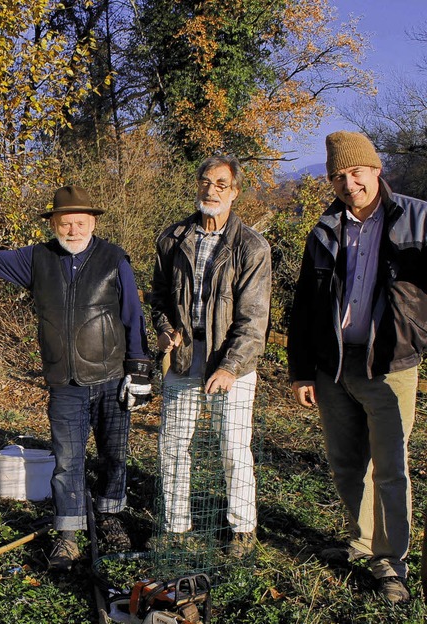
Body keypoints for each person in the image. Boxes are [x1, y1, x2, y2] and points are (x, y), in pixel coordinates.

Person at [0, 185, 152, 572]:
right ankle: (69, 533)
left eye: (80, 222)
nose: (74, 230)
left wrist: (139, 370)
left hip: (111, 377)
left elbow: (133, 315)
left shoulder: (114, 259)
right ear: (54, 225)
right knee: (67, 461)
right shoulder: (37, 259)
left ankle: (110, 516)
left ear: (93, 222)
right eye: (66, 223)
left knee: (114, 455)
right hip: (65, 383)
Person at [287, 131, 427, 604]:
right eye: (339, 176)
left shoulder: (417, 218)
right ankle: (363, 541)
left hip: (389, 365)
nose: (350, 184)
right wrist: (302, 370)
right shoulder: (325, 230)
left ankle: (390, 561)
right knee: (348, 465)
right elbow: (304, 306)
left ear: (376, 169)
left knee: (390, 467)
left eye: (357, 172)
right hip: (333, 367)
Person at [150, 155, 271, 558]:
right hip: (185, 356)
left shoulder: (251, 246)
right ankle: (175, 525)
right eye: (205, 181)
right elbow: (160, 296)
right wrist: (166, 328)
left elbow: (254, 320)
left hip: (231, 359)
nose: (211, 189)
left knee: (233, 447)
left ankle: (242, 530)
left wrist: (230, 367)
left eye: (221, 184)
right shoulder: (171, 238)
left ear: (235, 191)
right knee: (173, 443)